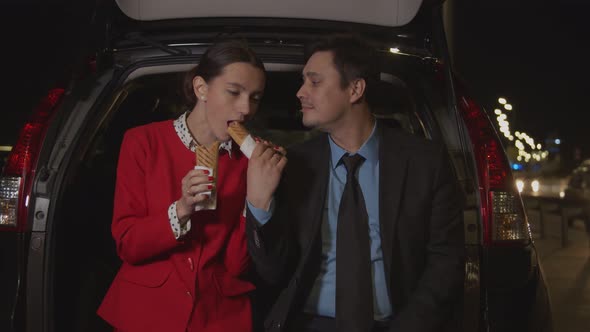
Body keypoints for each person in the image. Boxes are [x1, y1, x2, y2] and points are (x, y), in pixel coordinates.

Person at [245, 34, 466, 332]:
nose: (300, 92)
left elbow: (446, 263)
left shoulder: (426, 162)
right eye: (303, 82)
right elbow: (272, 272)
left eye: (314, 82)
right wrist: (259, 207)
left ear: (355, 89)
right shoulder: (293, 165)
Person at [97, 39, 283, 332]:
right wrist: (181, 209)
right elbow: (128, 244)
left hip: (219, 318)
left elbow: (236, 266)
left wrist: (257, 200)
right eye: (234, 92)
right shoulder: (143, 142)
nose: (246, 109)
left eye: (255, 97)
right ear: (201, 88)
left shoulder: (252, 162)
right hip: (145, 312)